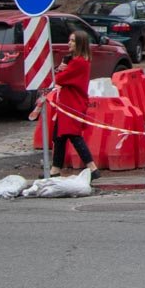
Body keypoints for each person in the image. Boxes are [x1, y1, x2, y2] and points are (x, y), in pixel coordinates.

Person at [47, 31, 100, 180]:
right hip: (68, 102)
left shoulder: (78, 62)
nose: (69, 43)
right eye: (69, 40)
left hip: (72, 103)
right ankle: (55, 170)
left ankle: (93, 168)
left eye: (73, 41)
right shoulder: (79, 60)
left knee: (73, 135)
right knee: (59, 136)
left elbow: (60, 79)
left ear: (80, 44)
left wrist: (61, 70)